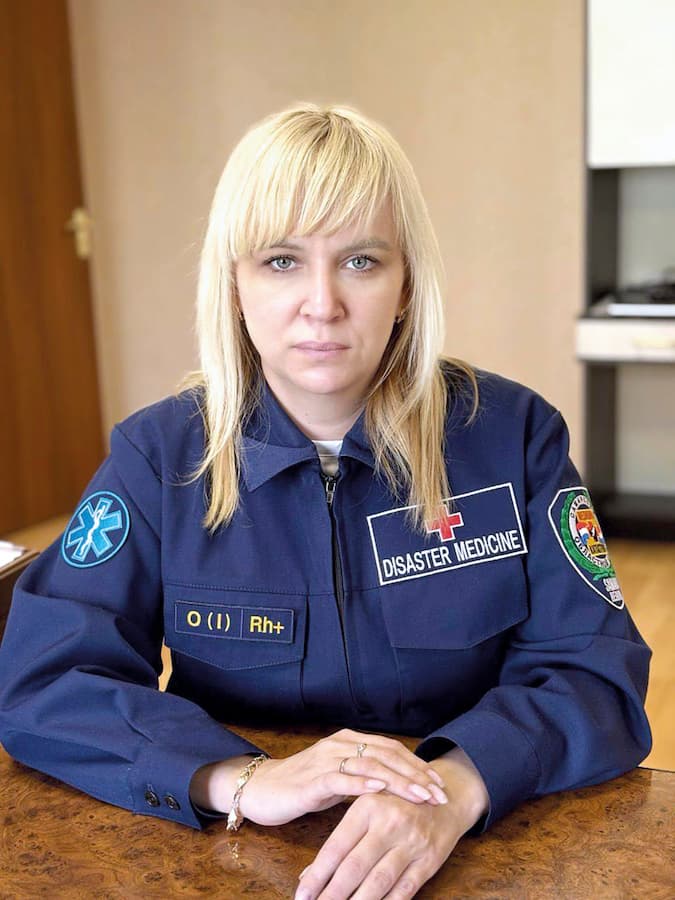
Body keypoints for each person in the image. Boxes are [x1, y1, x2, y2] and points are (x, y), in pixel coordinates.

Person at [0, 103, 651, 900]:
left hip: (467, 841)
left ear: (405, 284)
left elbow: (595, 671)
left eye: (360, 261)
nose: (321, 304)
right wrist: (240, 779)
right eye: (280, 261)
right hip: (244, 852)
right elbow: (47, 682)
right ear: (233, 285)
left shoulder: (512, 437)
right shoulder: (159, 457)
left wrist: (456, 783)